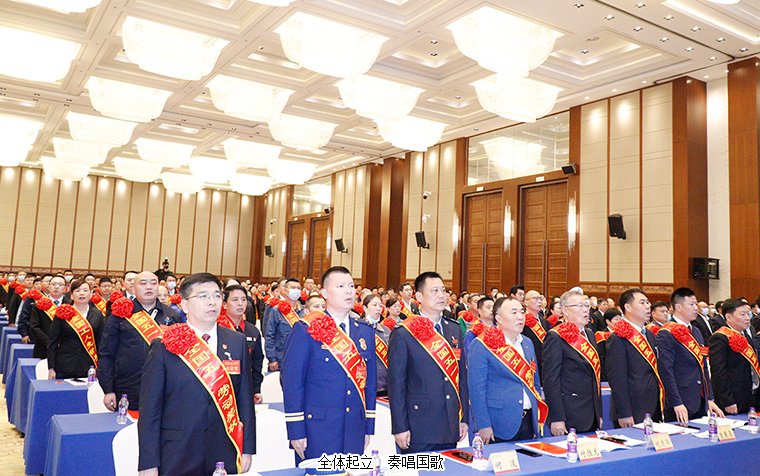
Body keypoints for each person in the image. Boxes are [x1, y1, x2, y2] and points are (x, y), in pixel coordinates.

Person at [138, 273, 255, 476]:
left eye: (217, 295)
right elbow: (150, 410)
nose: (212, 302)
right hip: (177, 451)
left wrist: (247, 448)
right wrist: (148, 463)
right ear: (184, 304)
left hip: (225, 448)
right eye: (202, 296)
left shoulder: (237, 341)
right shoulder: (164, 345)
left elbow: (245, 400)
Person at [281, 266, 377, 463]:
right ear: (324, 293)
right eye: (341, 286)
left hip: (354, 427)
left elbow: (370, 383)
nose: (349, 291)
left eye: (351, 286)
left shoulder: (364, 331)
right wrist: (296, 430)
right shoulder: (305, 328)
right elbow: (292, 382)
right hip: (317, 429)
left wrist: (368, 426)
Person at [388, 271, 469, 453]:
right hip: (419, 425)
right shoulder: (404, 332)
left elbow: (461, 377)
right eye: (434, 291)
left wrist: (463, 418)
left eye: (443, 290)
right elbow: (397, 383)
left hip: (450, 423)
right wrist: (400, 427)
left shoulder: (454, 329)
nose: (441, 295)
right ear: (419, 297)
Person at [99, 271, 181, 411]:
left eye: (153, 283)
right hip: (127, 387)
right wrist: (108, 389)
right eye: (143, 283)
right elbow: (107, 353)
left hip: (164, 387)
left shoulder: (172, 316)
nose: (149, 287)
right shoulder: (121, 314)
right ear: (133, 287)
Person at [468, 297, 546, 443]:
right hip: (498, 423)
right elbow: (476, 389)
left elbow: (534, 382)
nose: (520, 317)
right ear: (498, 318)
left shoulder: (527, 343)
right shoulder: (482, 344)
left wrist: (536, 421)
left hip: (528, 421)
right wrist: (483, 424)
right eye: (514, 312)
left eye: (522, 312)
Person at [657, 287, 724, 422]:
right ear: (678, 307)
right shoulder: (666, 333)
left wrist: (709, 398)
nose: (696, 308)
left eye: (696, 304)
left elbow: (703, 367)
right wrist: (676, 402)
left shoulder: (696, 332)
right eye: (692, 304)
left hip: (700, 399)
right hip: (680, 401)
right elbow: (666, 371)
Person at [542, 288, 603, 435]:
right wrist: (557, 417)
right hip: (569, 413)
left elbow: (594, 376)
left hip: (591, 413)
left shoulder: (589, 334)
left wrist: (598, 412)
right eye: (580, 306)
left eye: (587, 306)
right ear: (565, 310)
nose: (585, 310)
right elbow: (551, 380)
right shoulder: (555, 336)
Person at [606, 289, 663, 427]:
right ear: (628, 307)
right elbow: (617, 379)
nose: (648, 306)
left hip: (653, 404)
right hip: (632, 408)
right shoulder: (618, 337)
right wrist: (624, 412)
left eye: (648, 302)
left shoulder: (649, 334)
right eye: (642, 303)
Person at [709, 299, 758, 415]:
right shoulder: (720, 338)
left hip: (747, 396)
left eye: (748, 314)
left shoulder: (746, 335)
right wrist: (727, 400)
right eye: (742, 314)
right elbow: (718, 372)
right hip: (732, 398)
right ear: (728, 316)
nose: (747, 318)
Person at [47, 279, 104, 379]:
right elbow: (53, 341)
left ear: (91, 294)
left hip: (88, 365)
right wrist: (51, 368)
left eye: (85, 290)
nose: (82, 293)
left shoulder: (97, 314)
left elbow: (100, 341)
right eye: (77, 290)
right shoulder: (63, 313)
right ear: (72, 295)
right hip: (64, 364)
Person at [221, 284, 264, 404]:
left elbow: (257, 362)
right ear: (224, 304)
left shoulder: (253, 330)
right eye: (235, 300)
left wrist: (256, 389)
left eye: (243, 299)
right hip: (221, 388)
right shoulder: (217, 328)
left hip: (245, 388)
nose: (240, 303)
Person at [265, 278, 305, 372]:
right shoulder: (276, 310)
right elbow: (270, 335)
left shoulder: (304, 311)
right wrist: (272, 358)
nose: (296, 290)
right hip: (281, 357)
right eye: (293, 288)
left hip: (300, 358)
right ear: (286, 291)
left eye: (298, 288)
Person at [29, 275, 69, 359]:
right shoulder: (38, 305)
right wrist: (49, 343)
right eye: (53, 284)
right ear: (49, 287)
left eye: (60, 284)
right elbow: (34, 327)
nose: (56, 287)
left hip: (66, 349)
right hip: (43, 348)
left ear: (65, 288)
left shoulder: (71, 305)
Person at [361, 293, 392, 396]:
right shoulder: (358, 330)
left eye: (380, 305)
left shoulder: (386, 330)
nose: (378, 308)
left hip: (384, 385)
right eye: (374, 305)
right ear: (365, 308)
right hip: (365, 385)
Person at [595, 307, 622, 382]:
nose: (619, 322)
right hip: (607, 375)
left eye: (620, 319)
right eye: (616, 320)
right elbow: (601, 359)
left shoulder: (621, 334)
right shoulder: (601, 335)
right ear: (608, 321)